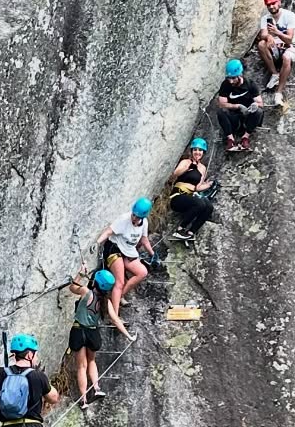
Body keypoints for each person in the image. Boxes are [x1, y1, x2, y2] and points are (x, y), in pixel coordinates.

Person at [96, 196, 157, 329]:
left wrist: (153, 254)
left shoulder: (144, 222)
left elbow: (144, 240)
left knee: (142, 272)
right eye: (134, 215)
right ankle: (115, 317)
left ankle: (120, 295)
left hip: (128, 251)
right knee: (119, 281)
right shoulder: (124, 219)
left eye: (137, 217)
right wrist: (98, 242)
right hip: (114, 248)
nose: (134, 218)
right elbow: (109, 231)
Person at [68, 266, 116, 407]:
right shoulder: (105, 301)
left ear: (95, 282)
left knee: (81, 367)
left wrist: (81, 273)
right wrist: (129, 336)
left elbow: (72, 287)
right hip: (93, 333)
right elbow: (115, 319)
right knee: (92, 361)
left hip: (78, 331)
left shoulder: (86, 292)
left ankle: (83, 400)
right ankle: (96, 388)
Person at [168, 137, 218, 243]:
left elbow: (198, 187)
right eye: (195, 150)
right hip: (177, 197)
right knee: (200, 203)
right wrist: (187, 167)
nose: (197, 152)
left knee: (208, 207)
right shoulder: (185, 162)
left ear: (203, 152)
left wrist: (209, 184)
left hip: (190, 197)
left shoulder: (202, 168)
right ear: (191, 151)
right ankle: (180, 230)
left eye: (200, 150)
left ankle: (190, 232)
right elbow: (175, 174)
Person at [256, 0, 295, 106]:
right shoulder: (266, 19)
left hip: (290, 46)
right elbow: (263, 34)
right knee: (261, 44)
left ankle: (278, 93)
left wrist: (277, 33)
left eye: (273, 3)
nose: (271, 7)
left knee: (287, 57)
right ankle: (274, 73)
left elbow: (290, 39)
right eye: (269, 4)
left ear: (279, 2)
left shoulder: (289, 15)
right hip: (276, 48)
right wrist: (269, 37)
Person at [216, 57, 264, 154]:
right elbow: (221, 104)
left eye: (233, 78)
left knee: (259, 111)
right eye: (229, 78)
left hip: (247, 117)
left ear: (239, 75)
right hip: (234, 117)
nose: (231, 81)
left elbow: (260, 103)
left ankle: (245, 137)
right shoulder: (226, 85)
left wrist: (255, 105)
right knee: (221, 112)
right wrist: (237, 106)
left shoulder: (250, 85)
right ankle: (230, 140)